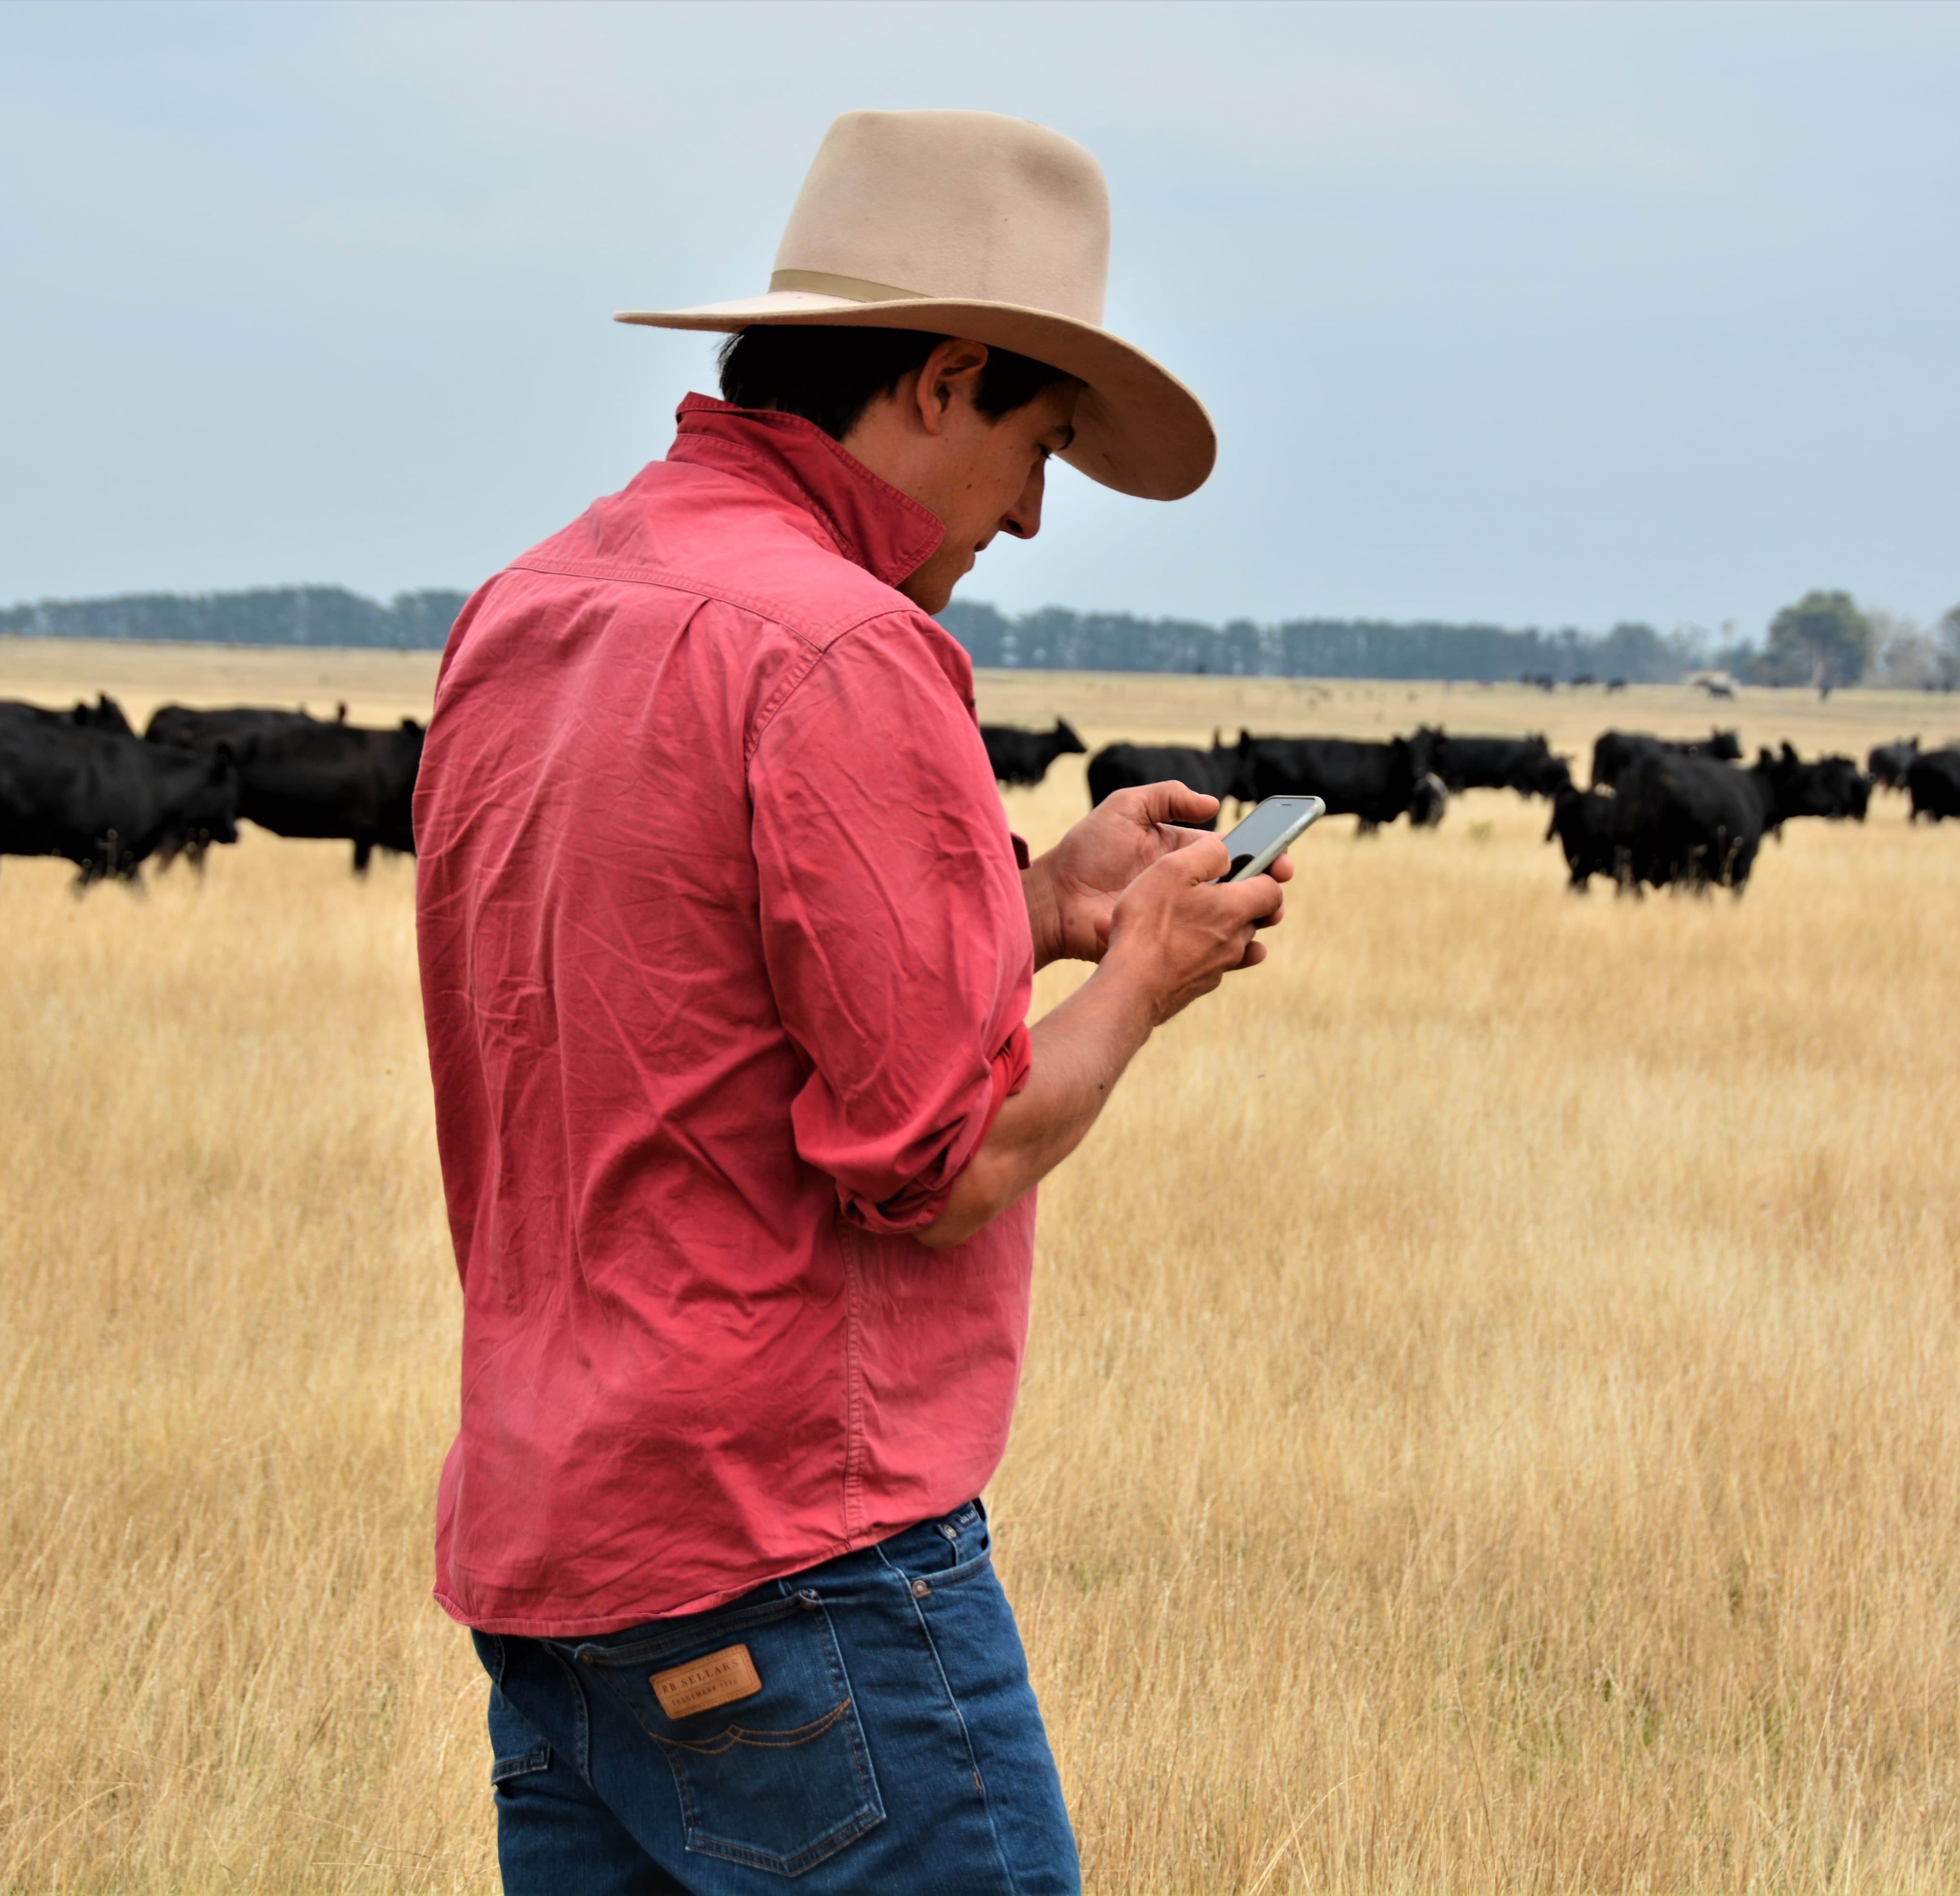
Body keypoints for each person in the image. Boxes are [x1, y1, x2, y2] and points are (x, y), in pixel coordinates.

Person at [413, 110, 1287, 1894]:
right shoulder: (846, 647)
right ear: (949, 377)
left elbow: (677, 994)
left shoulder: (535, 604)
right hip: (799, 1563)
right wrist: (1142, 976)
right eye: (1039, 443)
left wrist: (1033, 904)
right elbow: (938, 1165)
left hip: (556, 1565)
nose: (1036, 514)